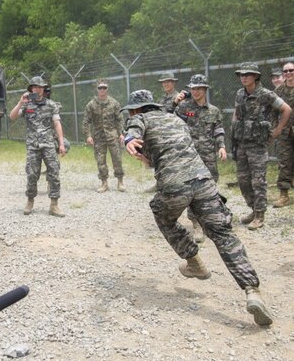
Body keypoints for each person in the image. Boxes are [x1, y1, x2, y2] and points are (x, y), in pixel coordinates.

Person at [122, 89, 274, 327]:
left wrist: (130, 141)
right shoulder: (176, 119)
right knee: (224, 235)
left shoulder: (138, 118)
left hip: (175, 185)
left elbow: (134, 135)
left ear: (133, 109)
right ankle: (252, 290)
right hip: (203, 181)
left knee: (164, 216)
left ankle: (195, 263)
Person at [231, 62, 291, 229]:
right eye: (242, 75)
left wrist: (278, 130)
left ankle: (260, 215)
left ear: (256, 76)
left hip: (258, 144)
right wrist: (234, 131)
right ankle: (253, 209)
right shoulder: (239, 94)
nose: (244, 77)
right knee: (243, 180)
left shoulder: (266, 94)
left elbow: (286, 109)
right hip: (242, 142)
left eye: (248, 74)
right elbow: (236, 114)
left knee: (258, 181)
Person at [172, 74, 227, 242]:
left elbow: (218, 130)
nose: (195, 91)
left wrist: (222, 146)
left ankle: (208, 221)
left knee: (210, 187)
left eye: (198, 88)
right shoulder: (183, 107)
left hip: (208, 155)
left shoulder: (214, 111)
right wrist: (175, 102)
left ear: (205, 89)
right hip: (190, 156)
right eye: (193, 88)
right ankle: (195, 223)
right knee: (192, 189)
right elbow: (167, 115)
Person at [9, 76, 66, 217]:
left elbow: (57, 124)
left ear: (43, 89)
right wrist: (20, 102)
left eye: (40, 87)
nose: (37, 89)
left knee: (54, 173)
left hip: (48, 144)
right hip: (33, 145)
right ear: (31, 89)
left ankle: (54, 205)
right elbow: (12, 116)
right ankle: (30, 201)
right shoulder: (27, 105)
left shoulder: (51, 105)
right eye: (35, 87)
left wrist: (61, 143)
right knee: (32, 174)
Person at [82, 79, 126, 193]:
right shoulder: (91, 105)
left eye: (104, 88)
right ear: (97, 89)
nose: (102, 90)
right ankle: (104, 182)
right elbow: (86, 121)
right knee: (100, 161)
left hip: (113, 136)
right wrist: (88, 135)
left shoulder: (114, 103)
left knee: (117, 159)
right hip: (98, 137)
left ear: (107, 89)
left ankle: (120, 181)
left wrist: (121, 133)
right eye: (100, 88)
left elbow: (120, 119)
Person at [273, 62, 294, 208]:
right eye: (285, 71)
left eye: (291, 70)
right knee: (284, 162)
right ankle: (284, 195)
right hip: (284, 132)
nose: (288, 73)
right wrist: (276, 128)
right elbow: (273, 111)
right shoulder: (279, 91)